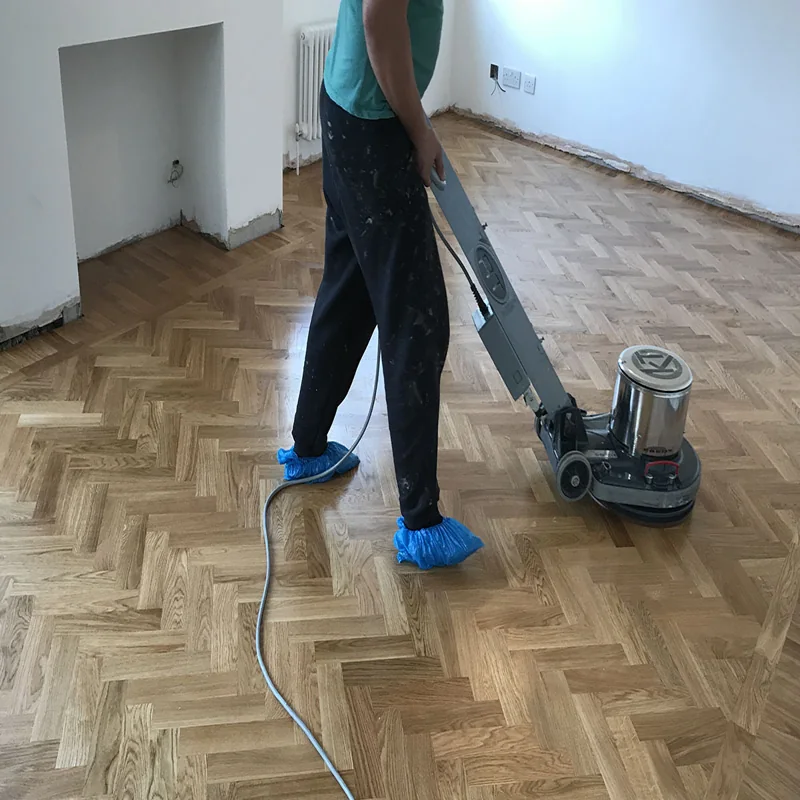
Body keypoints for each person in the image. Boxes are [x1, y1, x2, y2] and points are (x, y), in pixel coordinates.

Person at [277, 0, 484, 571]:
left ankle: (309, 447)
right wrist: (420, 131)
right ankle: (421, 521)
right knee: (417, 322)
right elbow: (380, 19)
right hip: (375, 127)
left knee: (348, 291)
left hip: (349, 107)